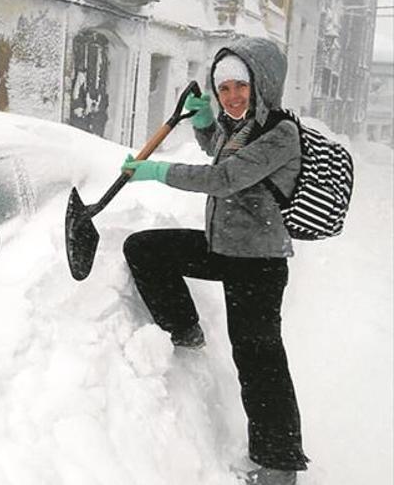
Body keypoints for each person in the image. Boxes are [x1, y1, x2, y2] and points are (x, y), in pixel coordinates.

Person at [119, 37, 309, 485]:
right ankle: (185, 330)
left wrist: (157, 171)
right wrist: (206, 125)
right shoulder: (238, 127)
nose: (232, 97)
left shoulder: (279, 132)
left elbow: (225, 177)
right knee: (145, 248)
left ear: (261, 85)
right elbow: (217, 151)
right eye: (223, 89)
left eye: (240, 86)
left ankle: (280, 464)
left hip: (259, 263)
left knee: (259, 358)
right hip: (221, 247)